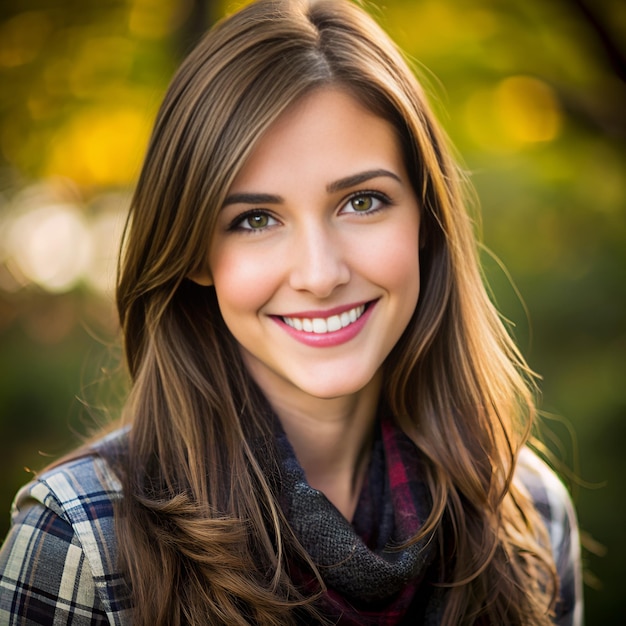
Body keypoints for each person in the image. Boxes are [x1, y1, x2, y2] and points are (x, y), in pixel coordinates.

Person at [0, 0, 583, 624]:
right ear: (194, 253)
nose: (319, 274)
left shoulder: (528, 516)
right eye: (255, 219)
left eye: (362, 201)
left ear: (425, 219)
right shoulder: (81, 541)